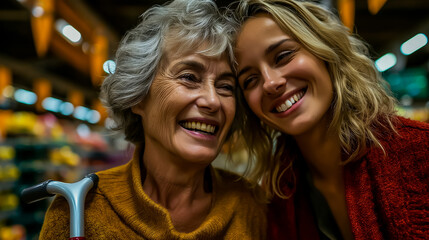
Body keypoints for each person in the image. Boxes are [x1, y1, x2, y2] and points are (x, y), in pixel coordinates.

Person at [38, 0, 267, 239]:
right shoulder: (80, 210)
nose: (212, 100)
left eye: (225, 86)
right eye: (189, 77)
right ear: (139, 97)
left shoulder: (252, 205)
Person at [231, 0, 429, 239]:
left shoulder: (419, 151)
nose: (270, 83)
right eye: (250, 80)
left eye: (283, 56)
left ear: (324, 51)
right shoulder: (277, 197)